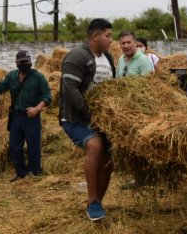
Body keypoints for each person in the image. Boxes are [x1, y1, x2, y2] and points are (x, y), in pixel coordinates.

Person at [59, 18, 116, 222]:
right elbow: (70, 89)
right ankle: (92, 201)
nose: (111, 40)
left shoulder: (108, 59)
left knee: (109, 159)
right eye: (108, 36)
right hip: (75, 117)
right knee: (96, 145)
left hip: (100, 119)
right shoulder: (77, 56)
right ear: (95, 36)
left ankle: (97, 204)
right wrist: (89, 113)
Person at [0, 50, 51, 182]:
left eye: (27, 62)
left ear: (30, 62)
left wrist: (37, 109)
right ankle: (22, 173)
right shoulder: (11, 76)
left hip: (32, 116)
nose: (24, 64)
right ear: (16, 63)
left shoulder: (38, 77)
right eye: (21, 62)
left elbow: (47, 96)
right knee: (14, 146)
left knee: (33, 147)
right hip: (16, 116)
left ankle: (35, 174)